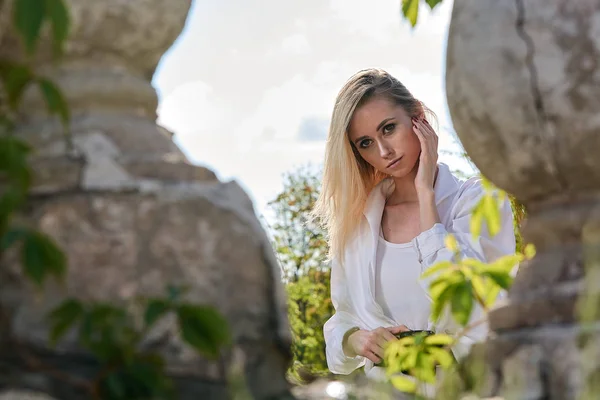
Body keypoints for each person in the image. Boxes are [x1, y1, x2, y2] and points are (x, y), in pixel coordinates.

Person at [312, 68, 516, 383]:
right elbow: (342, 324)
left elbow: (475, 311)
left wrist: (425, 196)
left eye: (389, 129)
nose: (383, 152)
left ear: (417, 117)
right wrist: (358, 340)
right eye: (366, 143)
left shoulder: (478, 200)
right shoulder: (358, 222)